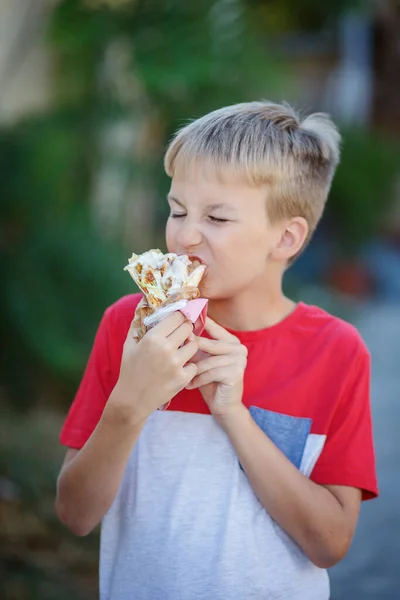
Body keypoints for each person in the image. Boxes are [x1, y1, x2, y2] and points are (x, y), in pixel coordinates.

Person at [56, 101, 378, 600]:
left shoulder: (336, 351)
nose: (183, 235)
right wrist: (130, 401)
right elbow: (75, 515)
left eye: (217, 217)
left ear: (286, 237)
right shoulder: (130, 326)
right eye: (177, 210)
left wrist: (233, 413)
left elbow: (329, 544)